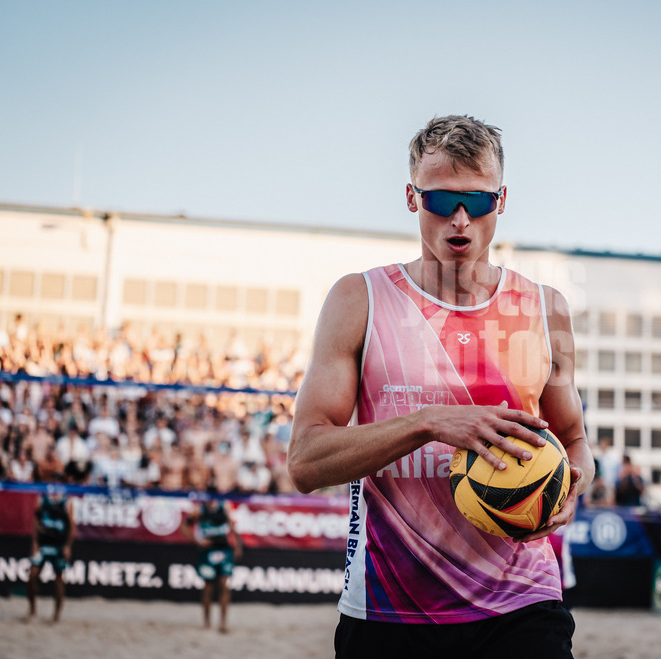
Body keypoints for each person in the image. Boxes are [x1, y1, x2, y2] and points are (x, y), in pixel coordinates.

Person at [287, 114, 593, 659]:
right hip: (392, 602)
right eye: (439, 201)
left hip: (522, 600)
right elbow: (306, 462)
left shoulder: (546, 310)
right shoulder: (360, 299)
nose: (459, 219)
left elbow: (574, 441)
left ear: (501, 201)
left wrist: (571, 487)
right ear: (411, 197)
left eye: (477, 203)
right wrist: (428, 422)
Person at [181, 498, 242, 633]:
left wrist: (237, 545)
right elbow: (184, 526)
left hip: (224, 550)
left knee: (224, 584)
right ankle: (207, 622)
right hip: (207, 551)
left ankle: (223, 623)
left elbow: (232, 526)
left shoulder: (224, 508)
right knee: (208, 586)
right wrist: (197, 541)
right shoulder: (199, 510)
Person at [27, 485, 74, 623]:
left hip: (58, 545)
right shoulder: (42, 498)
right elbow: (36, 521)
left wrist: (67, 546)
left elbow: (72, 525)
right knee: (32, 574)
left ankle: (56, 615)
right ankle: (32, 610)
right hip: (43, 544)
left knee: (59, 578)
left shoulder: (67, 501)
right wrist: (35, 542)